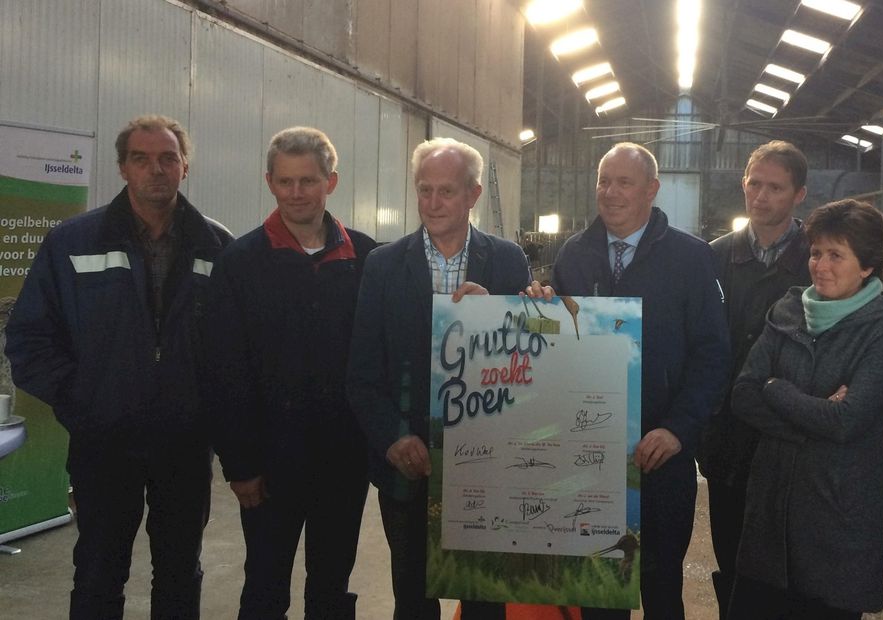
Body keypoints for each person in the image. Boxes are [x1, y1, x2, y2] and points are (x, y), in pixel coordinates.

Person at [5, 115, 232, 619]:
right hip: (104, 443)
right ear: (122, 168)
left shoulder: (217, 245)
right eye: (141, 158)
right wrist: (83, 401)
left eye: (168, 158)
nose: (156, 169)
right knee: (99, 572)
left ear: (185, 167)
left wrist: (212, 414)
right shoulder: (71, 242)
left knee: (179, 572)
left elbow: (236, 347)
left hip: (185, 443)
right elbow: (28, 338)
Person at [347, 137, 532, 619]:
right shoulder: (383, 266)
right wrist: (393, 438)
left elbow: (527, 364)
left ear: (473, 195)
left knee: (485, 596)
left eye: (445, 192)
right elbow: (363, 372)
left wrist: (505, 314)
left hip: (487, 465)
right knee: (412, 594)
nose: (432, 203)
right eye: (424, 190)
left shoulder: (508, 261)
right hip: (409, 461)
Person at [550, 142, 731, 619]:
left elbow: (713, 354)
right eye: (603, 182)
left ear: (652, 189)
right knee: (599, 590)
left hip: (662, 457)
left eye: (623, 182)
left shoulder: (691, 259)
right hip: (591, 459)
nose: (610, 193)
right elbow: (556, 348)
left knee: (660, 586)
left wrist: (677, 429)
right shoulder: (575, 255)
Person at [200, 127, 375, 618]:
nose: (297, 193)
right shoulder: (240, 263)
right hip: (270, 464)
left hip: (344, 461)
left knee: (332, 582)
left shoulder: (366, 259)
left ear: (331, 182)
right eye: (286, 182)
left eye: (309, 181)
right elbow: (223, 368)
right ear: (270, 183)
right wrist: (240, 465)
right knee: (264, 582)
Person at [729, 199, 883, 619]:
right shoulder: (789, 308)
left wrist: (776, 388)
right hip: (771, 509)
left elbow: (846, 421)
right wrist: (809, 418)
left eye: (835, 255)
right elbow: (743, 394)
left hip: (837, 514)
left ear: (867, 266)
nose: (820, 265)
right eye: (815, 253)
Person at [697, 140, 810, 619]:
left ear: (799, 194)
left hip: (793, 439)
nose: (761, 196)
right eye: (754, 184)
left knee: (792, 563)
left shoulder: (819, 258)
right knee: (733, 554)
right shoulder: (713, 257)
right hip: (726, 439)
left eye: (775, 187)